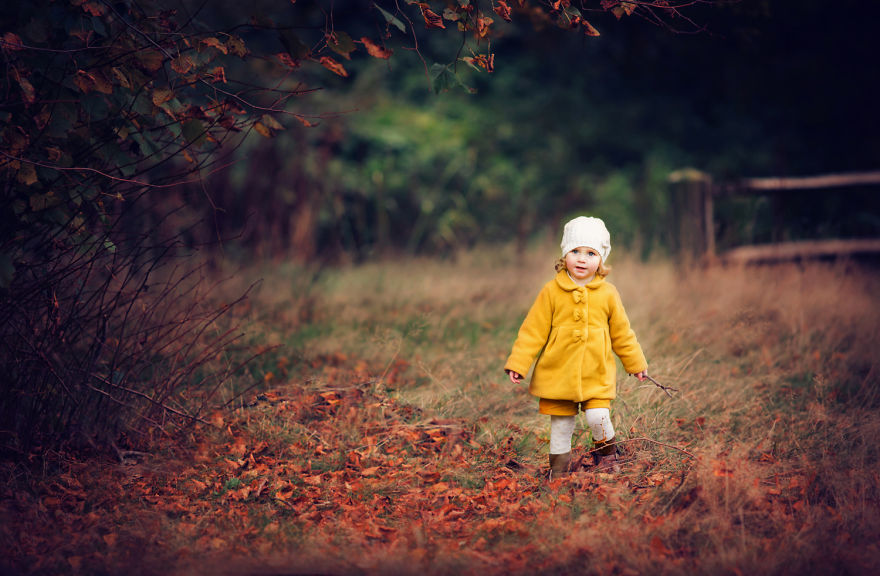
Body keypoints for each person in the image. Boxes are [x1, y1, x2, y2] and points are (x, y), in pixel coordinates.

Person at [504, 216, 648, 478]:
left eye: (591, 253)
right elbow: (532, 331)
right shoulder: (551, 291)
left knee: (598, 417)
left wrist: (635, 363)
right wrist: (518, 363)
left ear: (601, 258)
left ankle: (607, 456)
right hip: (558, 373)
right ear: (564, 255)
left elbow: (622, 333)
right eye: (575, 251)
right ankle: (558, 471)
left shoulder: (608, 294)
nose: (582, 259)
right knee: (561, 425)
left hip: (596, 373)